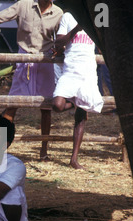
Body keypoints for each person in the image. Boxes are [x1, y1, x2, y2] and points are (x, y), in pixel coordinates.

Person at [0, 0, 63, 160]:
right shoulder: (23, 5)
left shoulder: (58, 13)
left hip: (45, 61)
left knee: (46, 108)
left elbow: (61, 39)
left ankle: (44, 150)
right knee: (12, 106)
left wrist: (57, 51)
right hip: (23, 59)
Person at [52, 12, 104, 169]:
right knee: (57, 105)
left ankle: (74, 159)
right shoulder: (68, 16)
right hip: (70, 70)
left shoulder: (99, 16)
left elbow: (103, 41)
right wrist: (76, 29)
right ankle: (76, 104)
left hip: (87, 71)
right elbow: (58, 42)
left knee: (80, 117)